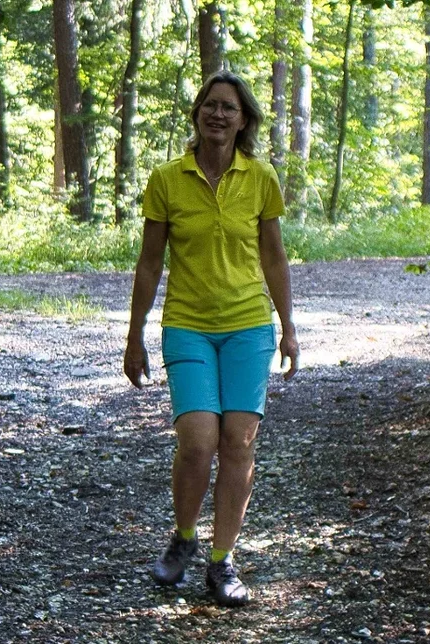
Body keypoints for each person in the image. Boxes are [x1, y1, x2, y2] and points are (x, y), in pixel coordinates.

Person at [123, 70, 298, 608]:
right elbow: (151, 263)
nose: (217, 114)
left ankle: (222, 563)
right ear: (197, 113)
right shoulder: (167, 178)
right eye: (210, 105)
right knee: (198, 441)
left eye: (229, 107)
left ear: (243, 120)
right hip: (189, 324)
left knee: (238, 441)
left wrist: (288, 329)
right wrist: (134, 336)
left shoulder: (262, 177)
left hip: (248, 325)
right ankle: (184, 537)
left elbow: (273, 256)